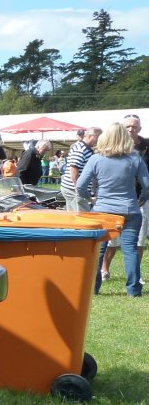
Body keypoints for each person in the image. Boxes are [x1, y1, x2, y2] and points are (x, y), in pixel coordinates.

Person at [77, 122, 149, 297]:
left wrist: (91, 198)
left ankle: (94, 288)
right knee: (130, 250)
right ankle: (133, 290)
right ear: (126, 139)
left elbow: (80, 186)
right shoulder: (135, 159)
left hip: (103, 211)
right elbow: (146, 186)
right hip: (130, 209)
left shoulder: (96, 159)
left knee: (98, 251)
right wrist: (141, 200)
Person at [102, 114, 149, 280]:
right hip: (114, 199)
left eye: (134, 127)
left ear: (140, 129)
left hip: (140, 198)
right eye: (128, 126)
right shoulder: (113, 146)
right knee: (111, 240)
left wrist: (144, 196)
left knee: (139, 239)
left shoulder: (146, 145)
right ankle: (105, 269)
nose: (131, 130)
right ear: (122, 128)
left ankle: (136, 274)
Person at [61, 127, 101, 211]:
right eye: (98, 138)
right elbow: (74, 170)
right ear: (91, 136)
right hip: (73, 189)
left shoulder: (84, 148)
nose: (99, 141)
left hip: (74, 189)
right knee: (81, 217)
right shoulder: (81, 149)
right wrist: (78, 188)